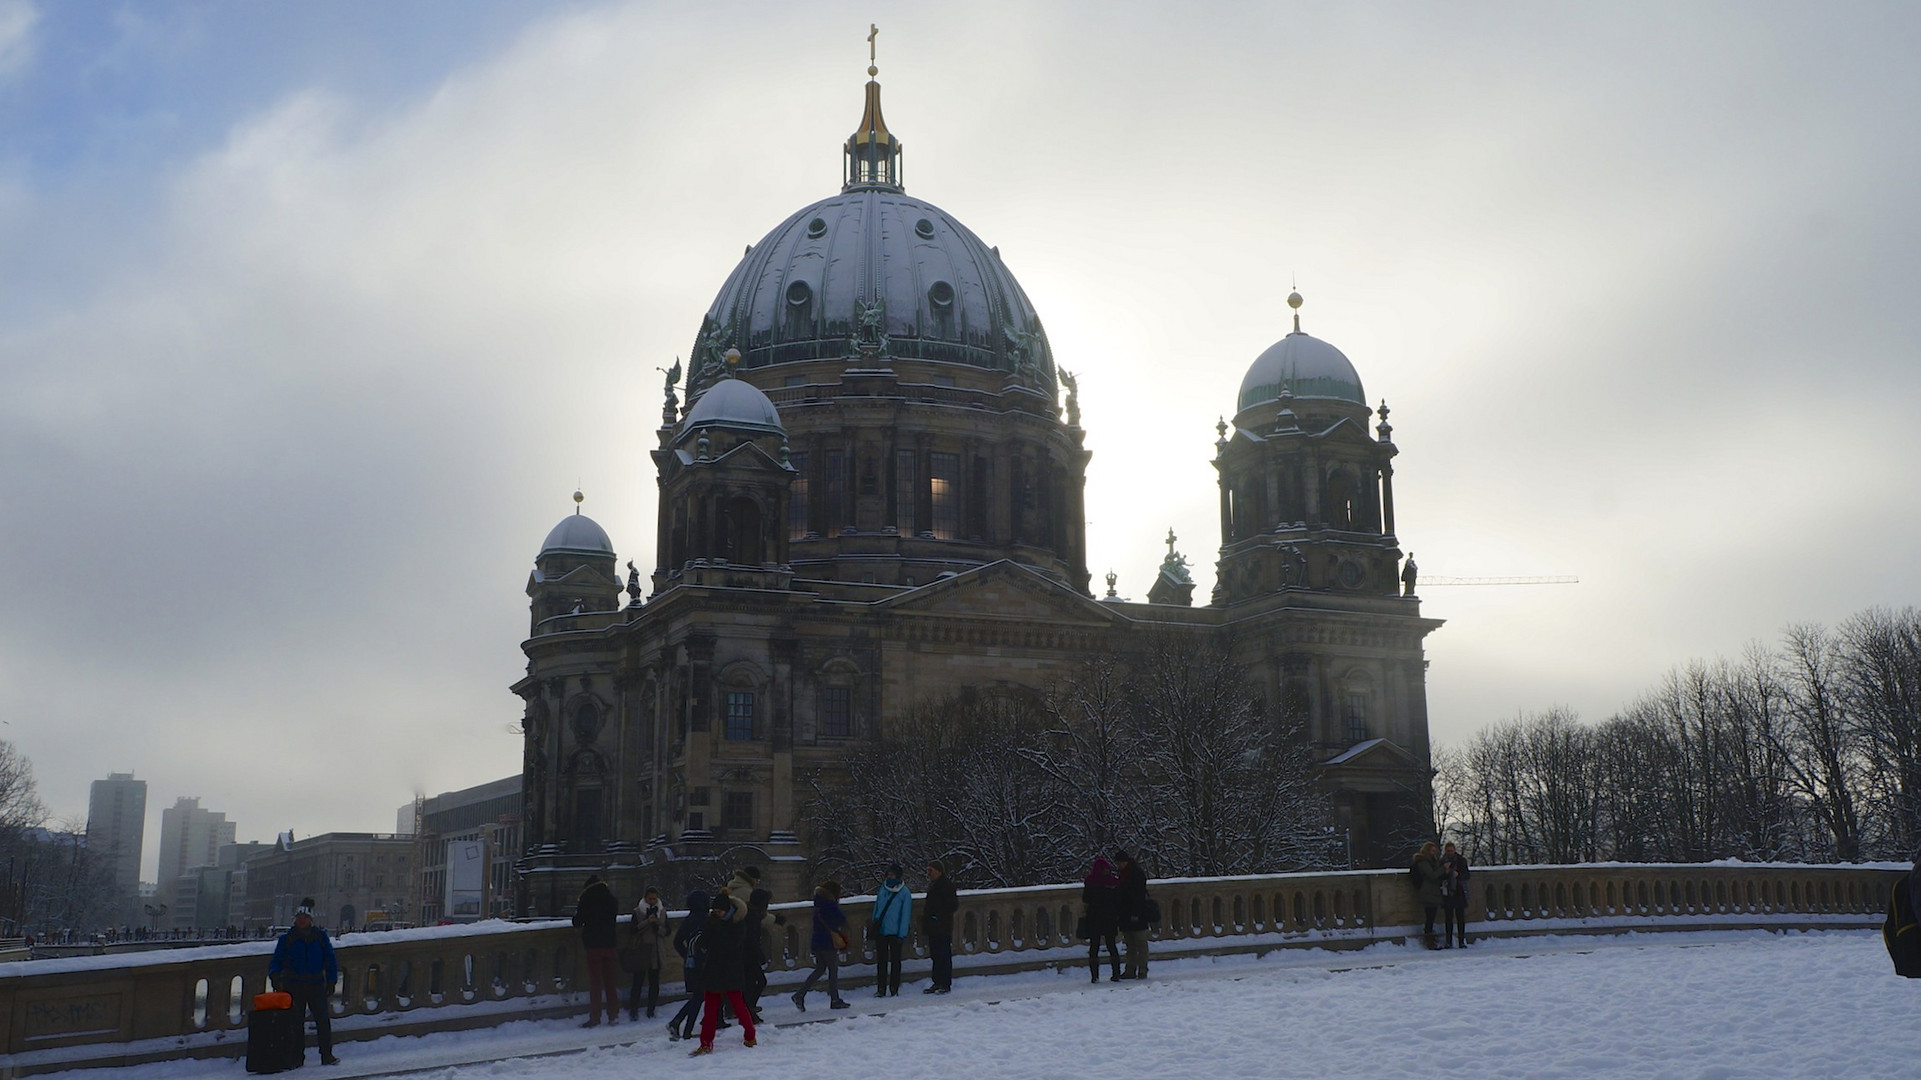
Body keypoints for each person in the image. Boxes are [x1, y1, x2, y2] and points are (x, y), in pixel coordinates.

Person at [268, 898, 339, 1066]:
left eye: (305, 918)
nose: (302, 920)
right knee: (296, 1022)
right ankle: (297, 1057)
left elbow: (330, 960)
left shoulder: (320, 937)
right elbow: (276, 960)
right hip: (294, 985)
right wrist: (274, 975)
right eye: (299, 917)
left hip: (315, 984)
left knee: (322, 1020)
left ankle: (326, 1055)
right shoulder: (287, 939)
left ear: (310, 920)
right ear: (295, 919)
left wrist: (331, 980)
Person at [689, 889, 755, 1056]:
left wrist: (717, 928)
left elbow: (731, 945)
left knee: (738, 1005)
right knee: (710, 1009)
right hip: (714, 969)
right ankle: (706, 1043)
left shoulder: (738, 923)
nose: (717, 914)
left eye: (720, 912)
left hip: (731, 969)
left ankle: (750, 1035)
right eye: (715, 912)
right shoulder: (713, 922)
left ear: (728, 910)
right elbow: (704, 943)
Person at [792, 880, 851, 1011]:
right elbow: (842, 920)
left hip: (817, 941)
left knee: (819, 970)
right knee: (833, 971)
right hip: (828, 942)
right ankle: (835, 1000)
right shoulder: (830, 906)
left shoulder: (818, 904)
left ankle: (800, 994)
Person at [572, 875, 620, 1027]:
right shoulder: (612, 900)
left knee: (595, 983)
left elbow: (577, 922)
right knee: (610, 982)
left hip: (593, 946)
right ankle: (613, 1015)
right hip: (610, 945)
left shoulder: (587, 900)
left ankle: (595, 1017)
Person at [667, 889, 709, 1040]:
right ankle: (684, 1029)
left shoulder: (688, 919)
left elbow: (677, 941)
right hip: (703, 963)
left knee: (698, 996)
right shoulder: (706, 919)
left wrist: (687, 955)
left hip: (690, 964)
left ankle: (678, 1023)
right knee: (700, 996)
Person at [626, 886, 669, 1019]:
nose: (652, 901)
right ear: (645, 898)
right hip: (641, 950)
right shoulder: (638, 911)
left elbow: (667, 931)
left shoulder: (662, 911)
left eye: (654, 899)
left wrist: (656, 925)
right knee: (637, 982)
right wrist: (646, 922)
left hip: (656, 951)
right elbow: (633, 930)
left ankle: (651, 1009)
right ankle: (633, 1010)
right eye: (650, 899)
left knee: (654, 983)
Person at [871, 863, 913, 996]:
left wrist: (902, 933)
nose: (890, 877)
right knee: (881, 962)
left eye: (892, 875)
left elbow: (905, 914)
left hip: (896, 932)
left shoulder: (904, 892)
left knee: (896, 962)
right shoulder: (882, 888)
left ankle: (894, 988)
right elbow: (877, 908)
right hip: (882, 931)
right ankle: (881, 988)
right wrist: (875, 923)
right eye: (888, 874)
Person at [743, 886, 783, 1018]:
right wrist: (760, 955)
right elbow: (751, 940)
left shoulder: (752, 915)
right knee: (758, 982)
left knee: (753, 983)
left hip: (748, 955)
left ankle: (749, 1010)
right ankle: (749, 1010)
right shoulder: (752, 918)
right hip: (748, 956)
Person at [1081, 857, 1121, 983]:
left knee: (1094, 946)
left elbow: (1086, 898)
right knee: (1111, 945)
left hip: (1094, 917)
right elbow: (1117, 899)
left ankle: (1094, 976)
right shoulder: (1113, 882)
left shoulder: (1090, 881)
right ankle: (1116, 973)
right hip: (1109, 917)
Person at [1113, 851, 1152, 980]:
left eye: (1119, 863)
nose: (1118, 865)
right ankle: (1131, 969)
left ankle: (1141, 970)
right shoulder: (1127, 873)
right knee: (1130, 944)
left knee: (1139, 944)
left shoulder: (1136, 874)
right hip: (1127, 914)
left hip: (1136, 914)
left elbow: (1138, 896)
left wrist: (1135, 913)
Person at [922, 859, 957, 994]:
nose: (928, 873)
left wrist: (939, 915)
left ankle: (945, 983)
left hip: (942, 926)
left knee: (943, 955)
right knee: (935, 955)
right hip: (934, 926)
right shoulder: (934, 885)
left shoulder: (946, 885)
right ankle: (937, 981)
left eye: (930, 870)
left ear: (938, 871)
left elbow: (953, 905)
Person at [1411, 841, 1444, 949]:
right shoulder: (1424, 862)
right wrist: (1444, 869)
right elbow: (1432, 875)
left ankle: (1430, 939)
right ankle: (1429, 940)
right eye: (1432, 851)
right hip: (1428, 892)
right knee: (1430, 916)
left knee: (1431, 916)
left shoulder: (1430, 861)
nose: (1434, 853)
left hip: (1431, 892)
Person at [1440, 841, 1471, 948]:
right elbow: (1439, 877)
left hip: (1459, 891)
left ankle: (1461, 940)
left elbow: (1467, 875)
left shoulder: (1461, 861)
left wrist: (1458, 874)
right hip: (1448, 892)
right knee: (1448, 918)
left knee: (1460, 917)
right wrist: (1445, 871)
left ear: (1455, 850)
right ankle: (1448, 941)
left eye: (1451, 851)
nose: (1450, 853)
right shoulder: (1442, 861)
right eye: (1448, 851)